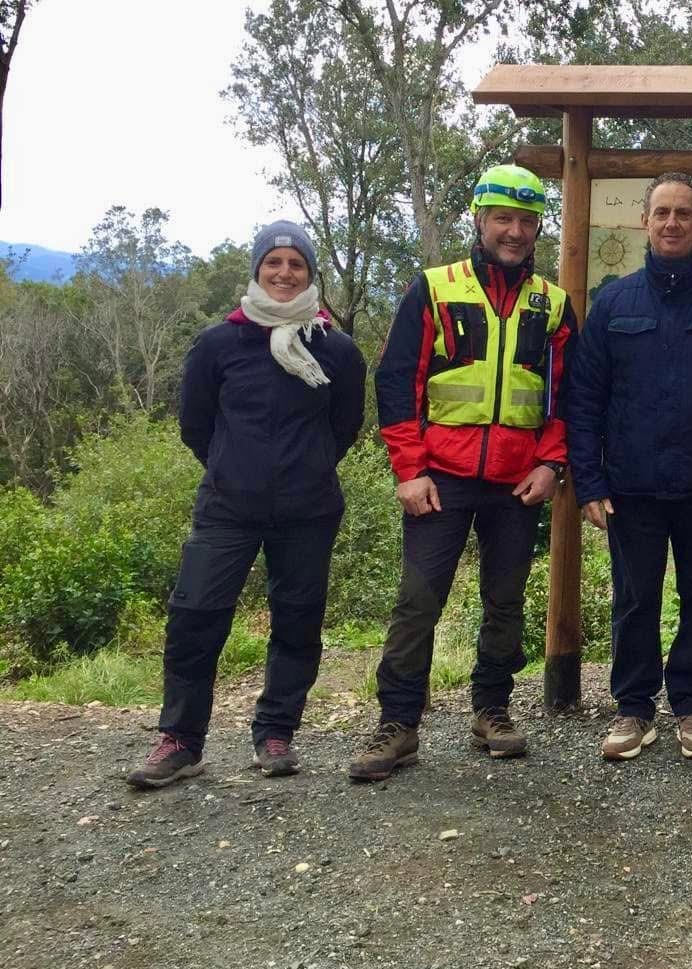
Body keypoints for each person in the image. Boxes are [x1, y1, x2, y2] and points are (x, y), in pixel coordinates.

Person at [348, 164, 576, 782]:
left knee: (504, 601)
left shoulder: (552, 303)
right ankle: (398, 723)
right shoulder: (435, 287)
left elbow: (566, 397)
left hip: (516, 481)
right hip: (440, 478)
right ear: (479, 219)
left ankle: (492, 711)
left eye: (527, 221)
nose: (515, 231)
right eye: (503, 218)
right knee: (417, 603)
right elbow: (397, 381)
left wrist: (553, 463)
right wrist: (408, 470)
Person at [127, 222, 365, 789]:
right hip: (227, 507)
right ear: (257, 270)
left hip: (308, 509)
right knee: (194, 617)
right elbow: (196, 425)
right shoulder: (219, 343)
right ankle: (181, 740)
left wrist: (304, 467)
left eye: (296, 265)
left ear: (311, 274)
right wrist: (235, 468)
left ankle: (276, 734)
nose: (284, 273)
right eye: (273, 263)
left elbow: (345, 427)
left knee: (297, 622)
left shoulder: (335, 348)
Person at [565, 172, 692, 762]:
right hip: (632, 487)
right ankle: (633, 708)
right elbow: (584, 401)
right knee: (635, 599)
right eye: (662, 212)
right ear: (645, 222)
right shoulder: (613, 302)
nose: (672, 222)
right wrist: (591, 481)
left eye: (684, 213)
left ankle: (691, 703)